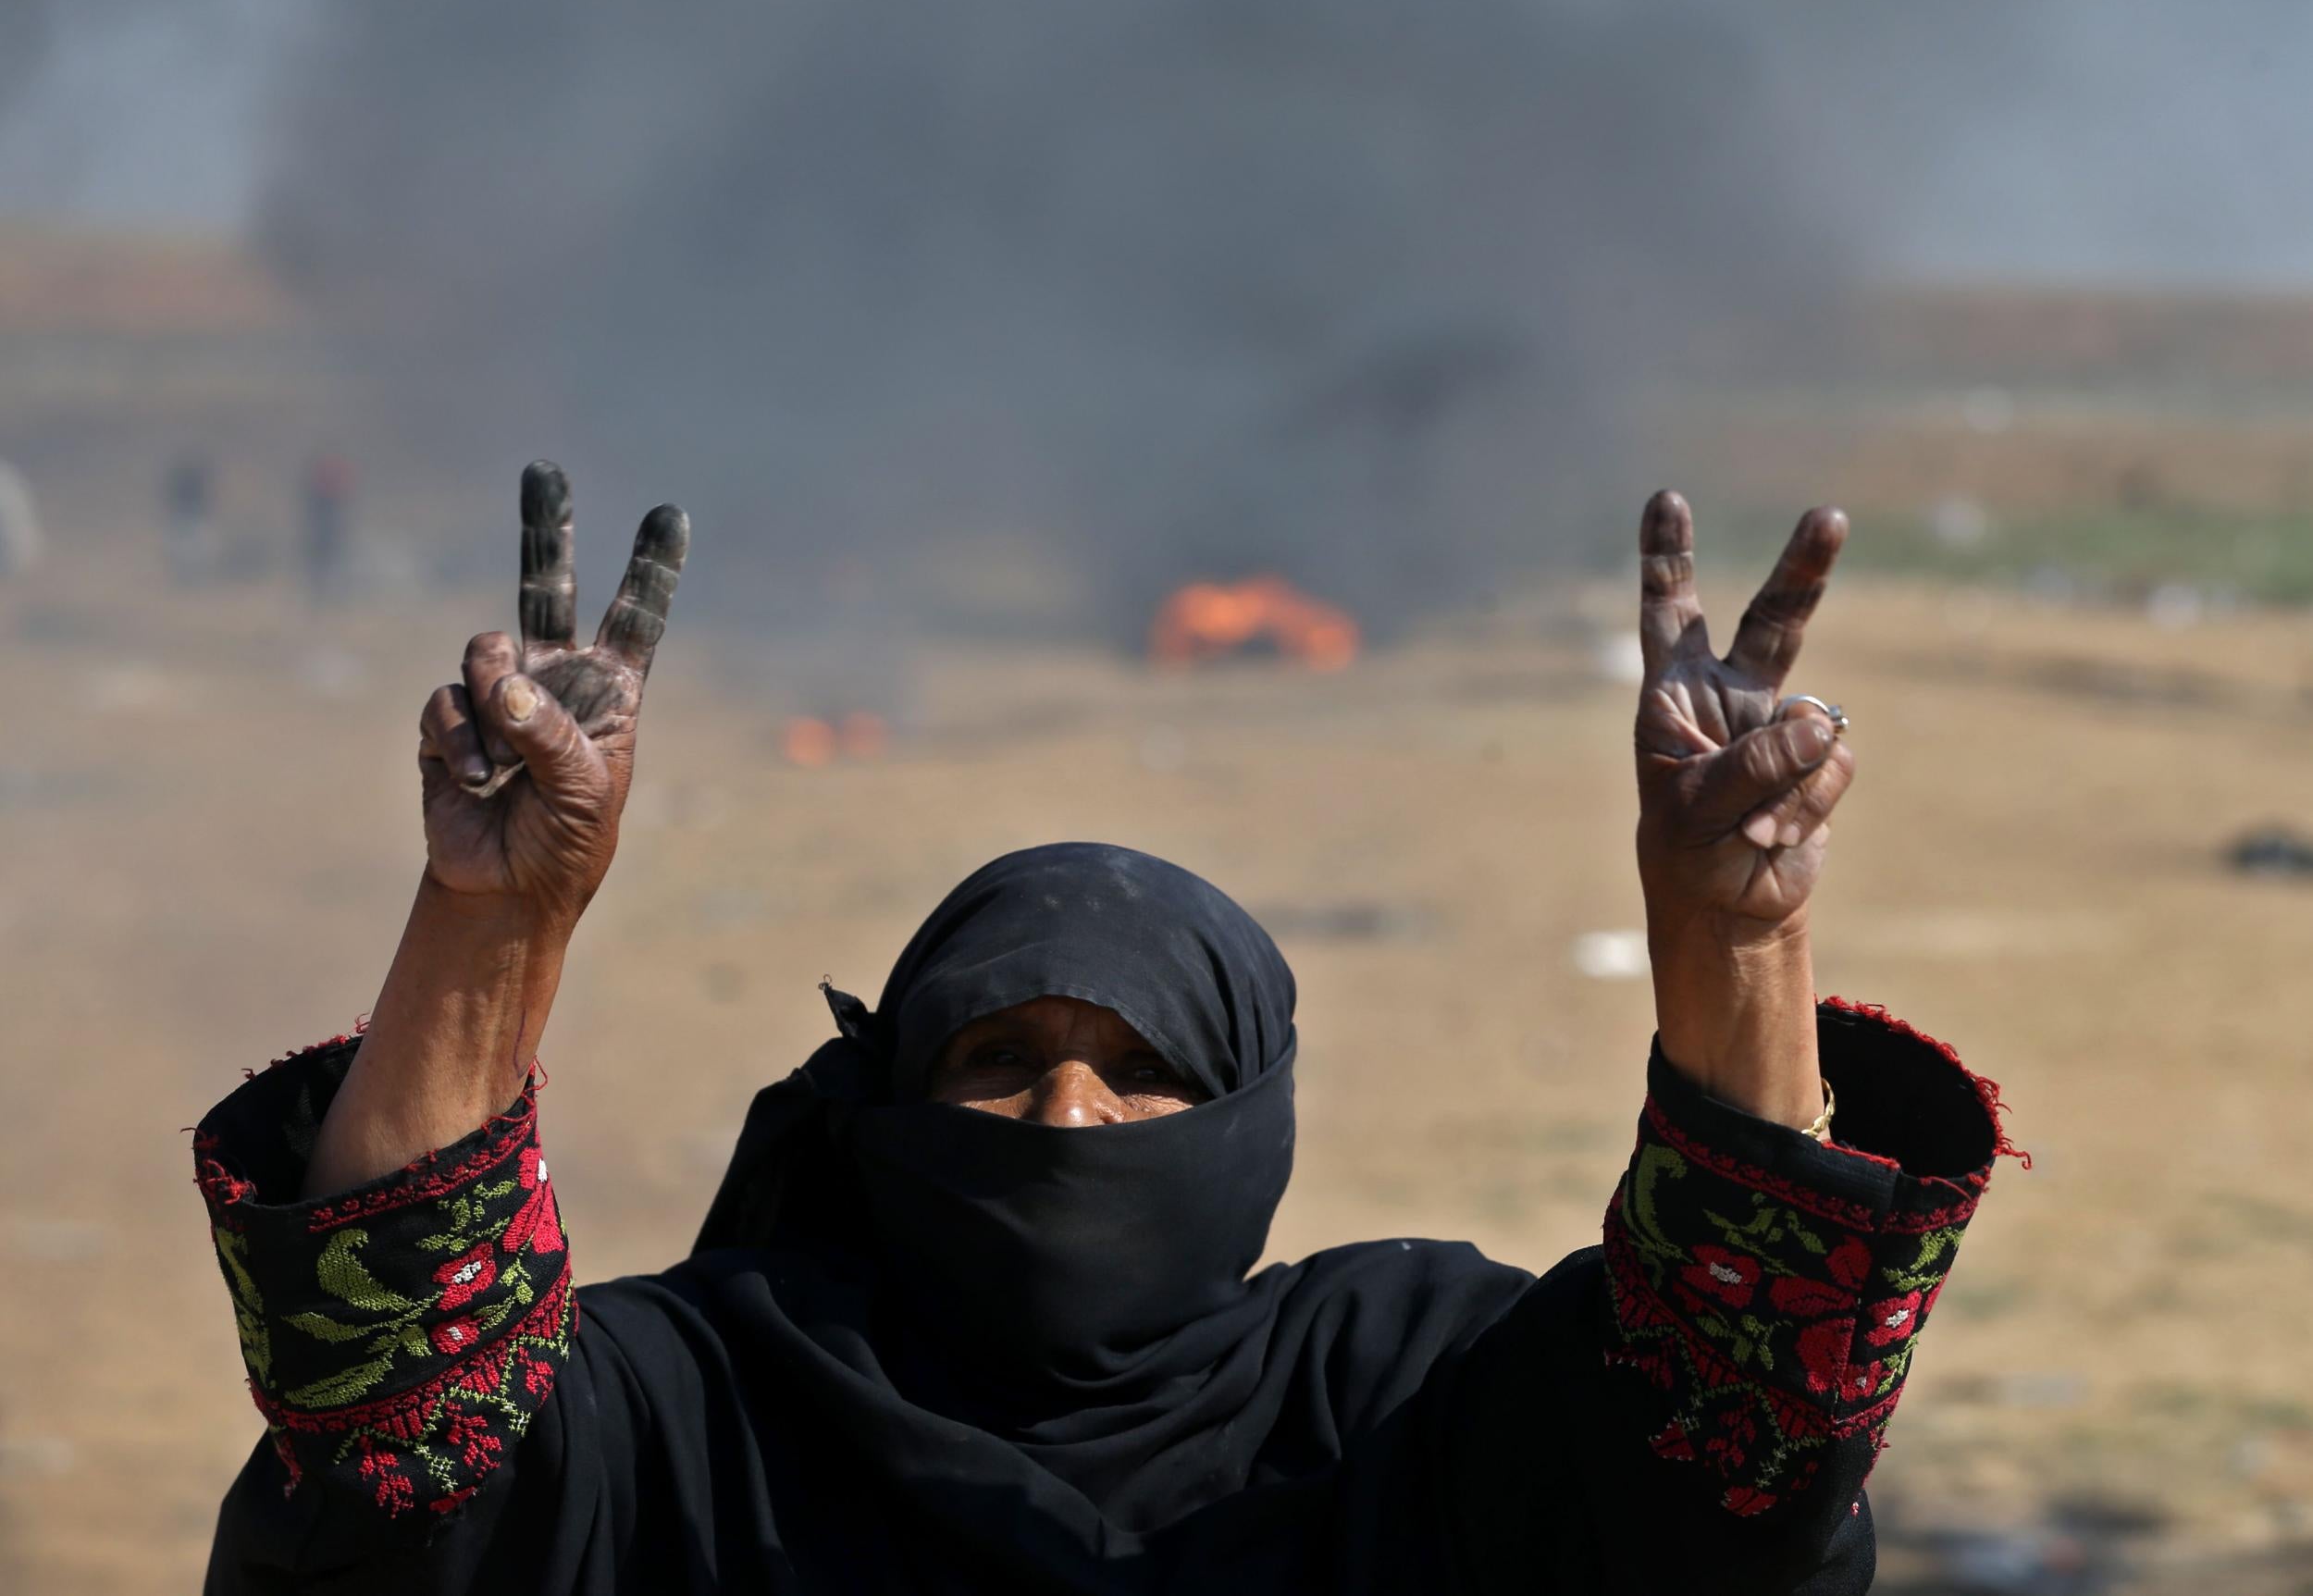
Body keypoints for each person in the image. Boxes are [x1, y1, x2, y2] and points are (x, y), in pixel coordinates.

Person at [193, 463, 2020, 1594]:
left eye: (1140, 1070)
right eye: (997, 1060)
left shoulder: (1395, 1400)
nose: (1066, 1117)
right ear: (892, 1099)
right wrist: (497, 917)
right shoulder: (698, 1407)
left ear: (1249, 1114)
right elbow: (387, 1434)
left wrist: (1730, 937)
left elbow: (1736, 1428)